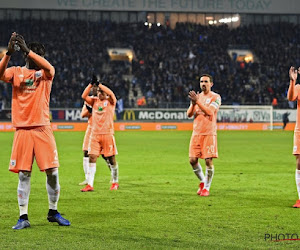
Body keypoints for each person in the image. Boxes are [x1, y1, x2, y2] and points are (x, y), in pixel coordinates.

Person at [0, 32, 70, 229]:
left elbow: (49, 67)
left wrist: (29, 51)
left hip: (42, 129)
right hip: (23, 130)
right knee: (24, 174)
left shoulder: (45, 75)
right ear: (24, 56)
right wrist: (8, 53)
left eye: (39, 54)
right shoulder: (15, 72)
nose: (36, 57)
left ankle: (53, 211)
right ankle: (23, 217)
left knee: (53, 172)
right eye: (32, 53)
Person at [81, 79, 119, 192]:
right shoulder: (94, 101)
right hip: (95, 135)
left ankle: (115, 182)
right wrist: (90, 85)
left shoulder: (111, 102)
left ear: (105, 93)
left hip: (107, 134)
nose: (99, 93)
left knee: (111, 159)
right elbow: (84, 96)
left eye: (101, 92)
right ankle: (90, 184)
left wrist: (100, 85)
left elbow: (111, 94)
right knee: (92, 157)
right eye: (98, 91)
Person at [187, 74, 221, 197]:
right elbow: (189, 114)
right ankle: (202, 181)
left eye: (206, 81)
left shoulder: (216, 97)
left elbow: (210, 112)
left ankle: (206, 188)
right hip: (196, 133)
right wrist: (193, 103)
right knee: (192, 160)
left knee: (208, 161)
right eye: (201, 81)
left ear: (211, 84)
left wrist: (197, 102)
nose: (203, 83)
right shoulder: (197, 97)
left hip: (209, 133)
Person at [287, 66, 300, 208]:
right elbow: (291, 98)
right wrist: (292, 81)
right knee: (299, 162)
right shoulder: (298, 87)